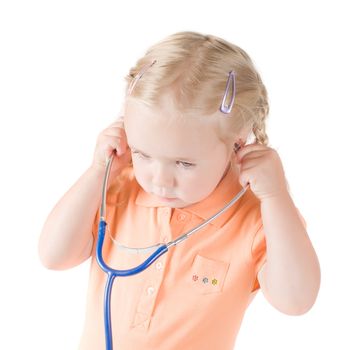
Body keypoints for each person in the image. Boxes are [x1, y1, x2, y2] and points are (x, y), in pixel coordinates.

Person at [38, 31, 321, 350]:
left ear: (237, 144)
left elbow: (295, 300)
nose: (159, 179)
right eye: (143, 153)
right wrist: (96, 172)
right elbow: (54, 256)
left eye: (183, 163)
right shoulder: (119, 187)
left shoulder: (257, 217)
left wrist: (276, 197)